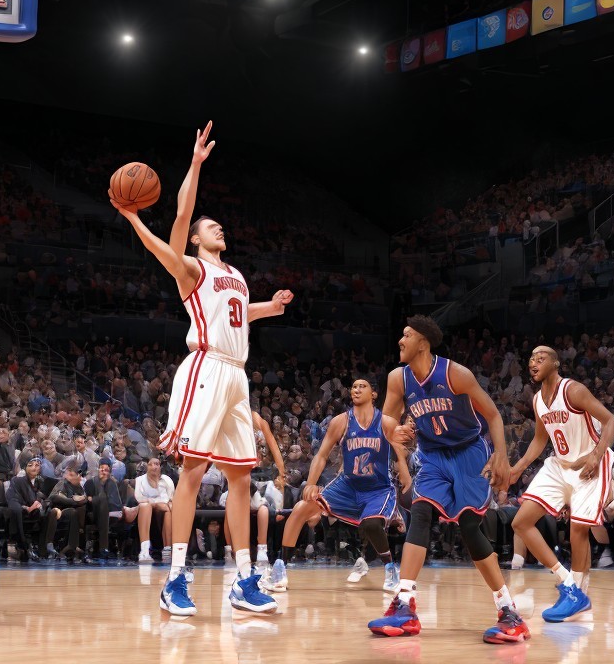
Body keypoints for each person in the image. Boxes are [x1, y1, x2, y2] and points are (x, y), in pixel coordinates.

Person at [112, 121, 293, 616]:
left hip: (237, 374)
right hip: (206, 369)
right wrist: (192, 165)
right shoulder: (191, 269)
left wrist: (268, 308)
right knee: (192, 472)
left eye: (219, 227)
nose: (220, 229)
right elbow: (180, 213)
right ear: (193, 240)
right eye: (211, 227)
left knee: (240, 478)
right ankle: (174, 578)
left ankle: (242, 580)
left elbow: (237, 315)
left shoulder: (233, 274)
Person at [368, 316, 530, 644]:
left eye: (407, 335)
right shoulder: (398, 379)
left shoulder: (456, 374)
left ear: (423, 343)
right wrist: (393, 429)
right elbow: (384, 418)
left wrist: (501, 454)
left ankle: (508, 610)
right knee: (421, 511)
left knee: (470, 527)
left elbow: (494, 415)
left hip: (469, 452)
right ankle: (404, 603)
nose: (400, 340)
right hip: (433, 455)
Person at [263, 377, 409, 594]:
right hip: (347, 485)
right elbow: (321, 455)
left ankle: (390, 569)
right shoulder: (341, 421)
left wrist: (405, 474)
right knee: (302, 508)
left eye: (363, 386)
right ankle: (280, 568)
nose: (357, 390)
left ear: (374, 394)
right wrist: (311, 484)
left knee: (370, 525)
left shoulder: (386, 423)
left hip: (377, 488)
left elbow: (399, 453)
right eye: (354, 387)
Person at [509, 346, 614, 622]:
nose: (533, 362)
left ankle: (577, 594)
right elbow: (539, 440)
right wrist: (517, 468)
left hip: (590, 463)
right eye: (531, 358)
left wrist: (595, 455)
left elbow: (610, 420)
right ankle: (570, 586)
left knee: (578, 529)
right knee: (521, 522)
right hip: (560, 464)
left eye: (541, 358)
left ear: (555, 364)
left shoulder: (573, 390)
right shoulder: (537, 400)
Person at [135, 455, 175, 563]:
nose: (154, 467)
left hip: (163, 510)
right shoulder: (140, 480)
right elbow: (139, 498)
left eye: (156, 464)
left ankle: (167, 549)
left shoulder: (167, 480)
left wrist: (161, 504)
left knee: (168, 509)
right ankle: (144, 552)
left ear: (160, 466)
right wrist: (156, 504)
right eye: (151, 464)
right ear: (147, 467)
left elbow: (171, 498)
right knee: (145, 506)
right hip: (146, 511)